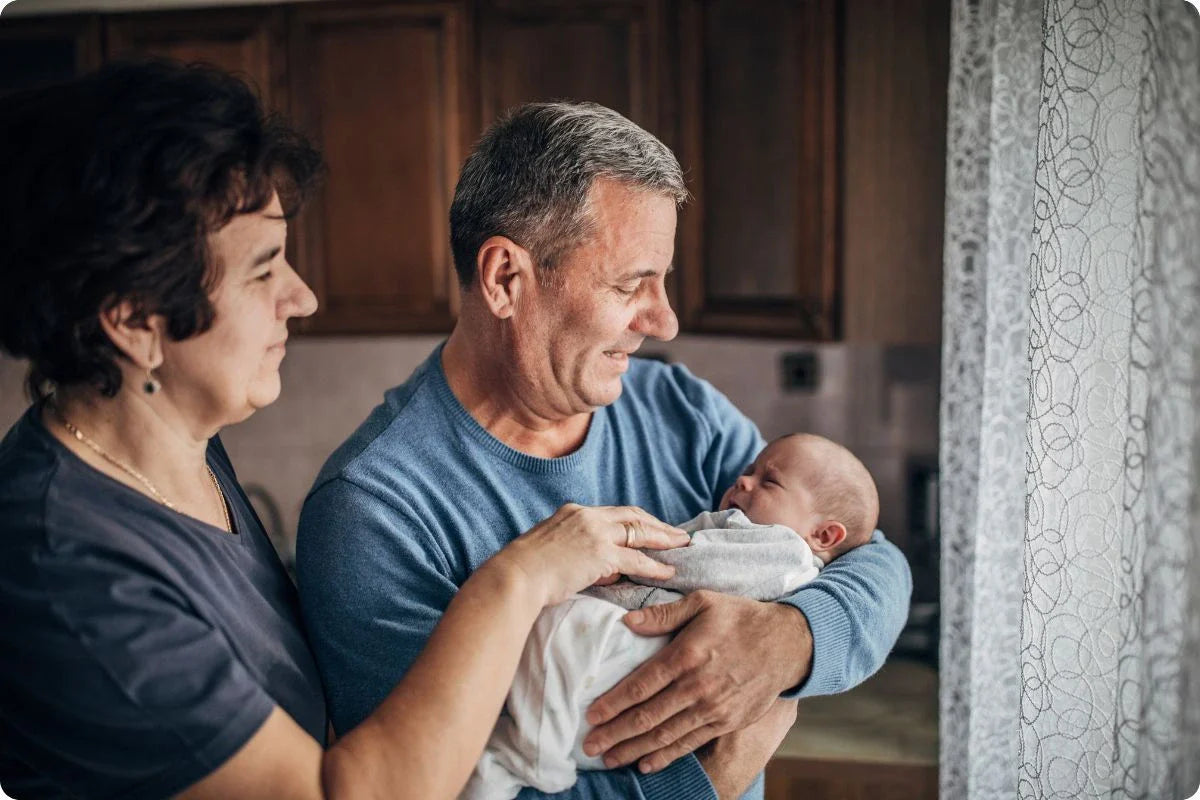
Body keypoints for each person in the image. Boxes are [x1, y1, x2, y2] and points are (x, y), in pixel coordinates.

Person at [0, 62, 690, 800]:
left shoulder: (181, 453)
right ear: (134, 321)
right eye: (263, 271)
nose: (303, 296)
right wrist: (518, 578)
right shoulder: (68, 575)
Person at [296, 101, 913, 800]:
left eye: (664, 280)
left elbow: (872, 557)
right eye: (630, 284)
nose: (666, 320)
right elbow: (458, 789)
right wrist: (716, 772)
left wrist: (794, 640)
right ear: (505, 279)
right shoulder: (373, 514)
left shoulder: (680, 411)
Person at [465, 433, 881, 799]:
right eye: (749, 470)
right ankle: (521, 756)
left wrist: (626, 554)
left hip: (639, 654)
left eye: (767, 480)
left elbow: (700, 562)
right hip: (632, 667)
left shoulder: (785, 551)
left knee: (560, 641)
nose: (742, 480)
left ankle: (530, 756)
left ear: (824, 535)